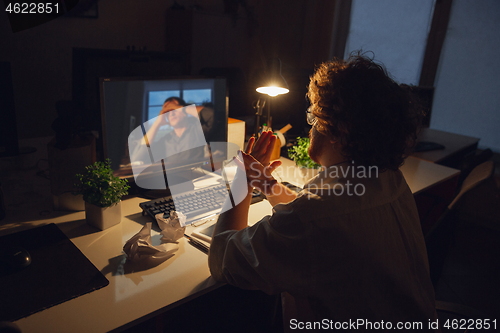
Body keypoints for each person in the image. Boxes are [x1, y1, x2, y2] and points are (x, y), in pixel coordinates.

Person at [208, 53, 437, 331]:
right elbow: (323, 219)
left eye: (313, 116)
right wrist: (268, 185)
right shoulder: (390, 180)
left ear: (340, 131)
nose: (310, 126)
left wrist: (241, 181)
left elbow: (222, 258)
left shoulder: (313, 218)